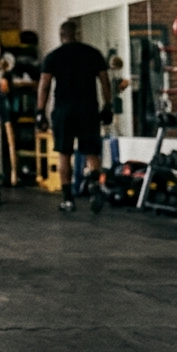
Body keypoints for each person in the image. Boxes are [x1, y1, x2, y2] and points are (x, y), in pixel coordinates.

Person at [35, 20, 113, 212]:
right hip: (88, 110)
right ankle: (95, 189)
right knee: (91, 153)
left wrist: (40, 112)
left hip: (64, 111)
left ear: (61, 35)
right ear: (78, 34)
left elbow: (44, 86)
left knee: (64, 154)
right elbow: (105, 83)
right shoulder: (93, 53)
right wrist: (108, 106)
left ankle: (68, 199)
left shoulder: (54, 56)